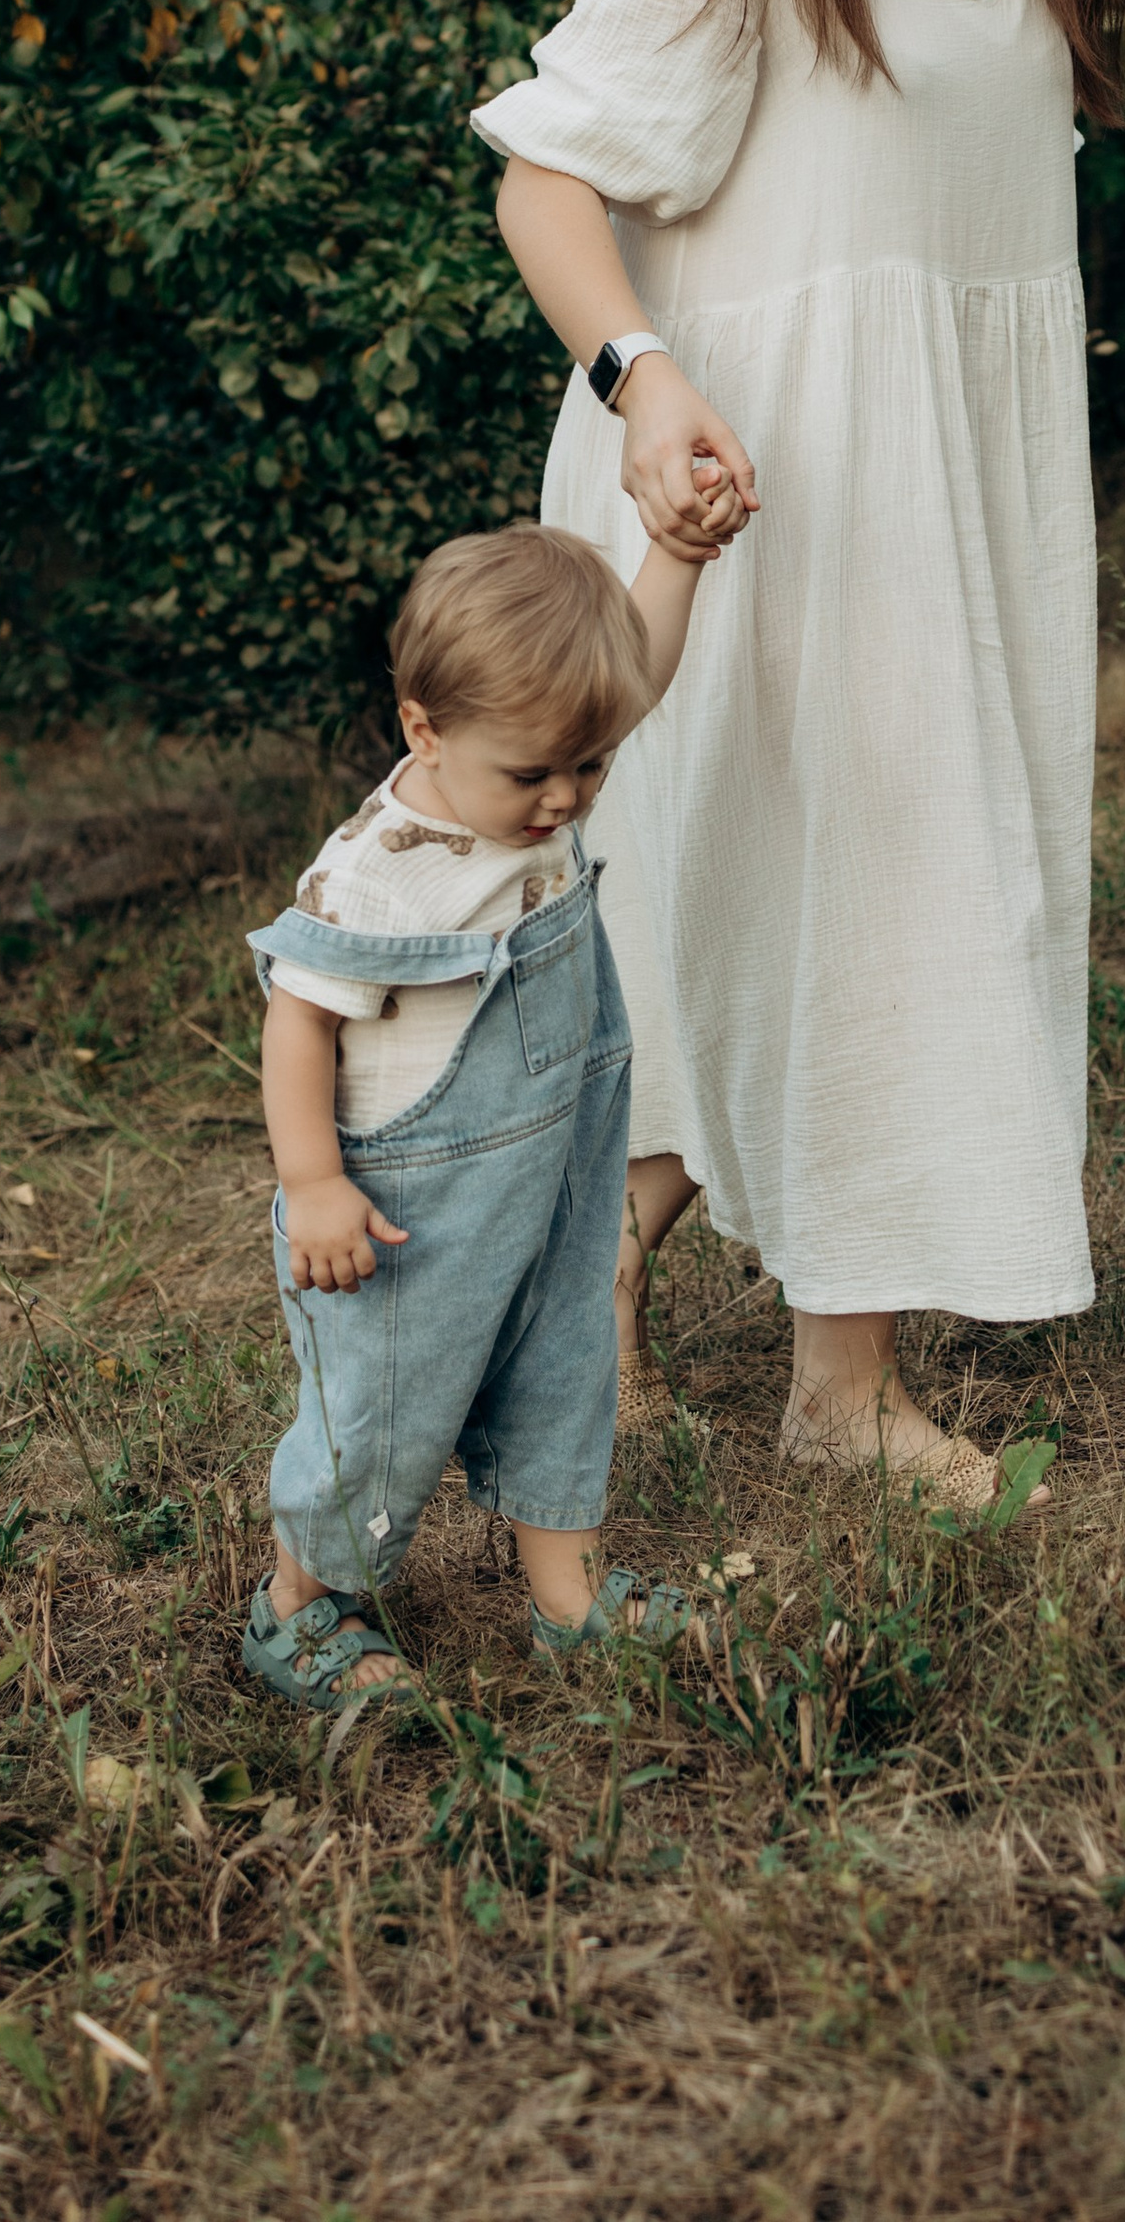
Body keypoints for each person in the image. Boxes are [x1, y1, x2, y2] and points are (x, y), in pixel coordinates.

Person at [473, 0, 1125, 1515]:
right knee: (793, 882)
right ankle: (784, 1373)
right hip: (744, 465)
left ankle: (713, 1323)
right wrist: (645, 377)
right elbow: (548, 183)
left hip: (957, 484)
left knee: (889, 872)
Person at [240, 508, 731, 1711]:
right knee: (384, 1412)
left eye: (589, 767)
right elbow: (297, 1023)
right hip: (408, 1209)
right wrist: (314, 1183)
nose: (566, 798)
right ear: (425, 728)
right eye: (535, 774)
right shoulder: (378, 871)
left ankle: (569, 1598)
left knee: (565, 1371)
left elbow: (634, 673)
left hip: (550, 1174)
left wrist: (675, 558)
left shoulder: (528, 775)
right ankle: (299, 1603)